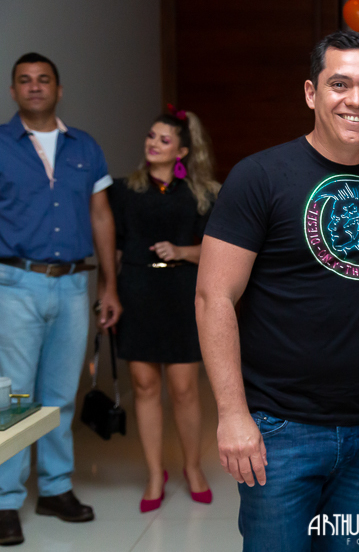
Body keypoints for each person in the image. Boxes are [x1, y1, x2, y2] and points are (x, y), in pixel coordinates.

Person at [195, 31, 359, 551]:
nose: (356, 100)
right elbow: (213, 298)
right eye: (339, 84)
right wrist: (232, 415)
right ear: (311, 93)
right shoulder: (259, 176)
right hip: (279, 427)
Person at [0, 53, 122, 546]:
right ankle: (5, 500)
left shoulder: (85, 147)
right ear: (13, 91)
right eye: (24, 80)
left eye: (43, 79)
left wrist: (109, 285)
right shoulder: (1, 145)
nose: (35, 87)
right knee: (14, 396)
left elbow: (101, 216)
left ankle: (54, 488)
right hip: (16, 284)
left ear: (58, 89)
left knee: (59, 394)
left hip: (74, 285)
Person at [107, 108, 219, 513]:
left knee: (185, 389)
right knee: (144, 386)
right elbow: (113, 248)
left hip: (181, 293)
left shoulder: (204, 193)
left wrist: (182, 251)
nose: (153, 143)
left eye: (164, 139)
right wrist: (107, 292)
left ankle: (192, 467)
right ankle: (155, 474)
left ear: (182, 151)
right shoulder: (123, 190)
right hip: (137, 291)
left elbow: (220, 251)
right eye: (151, 136)